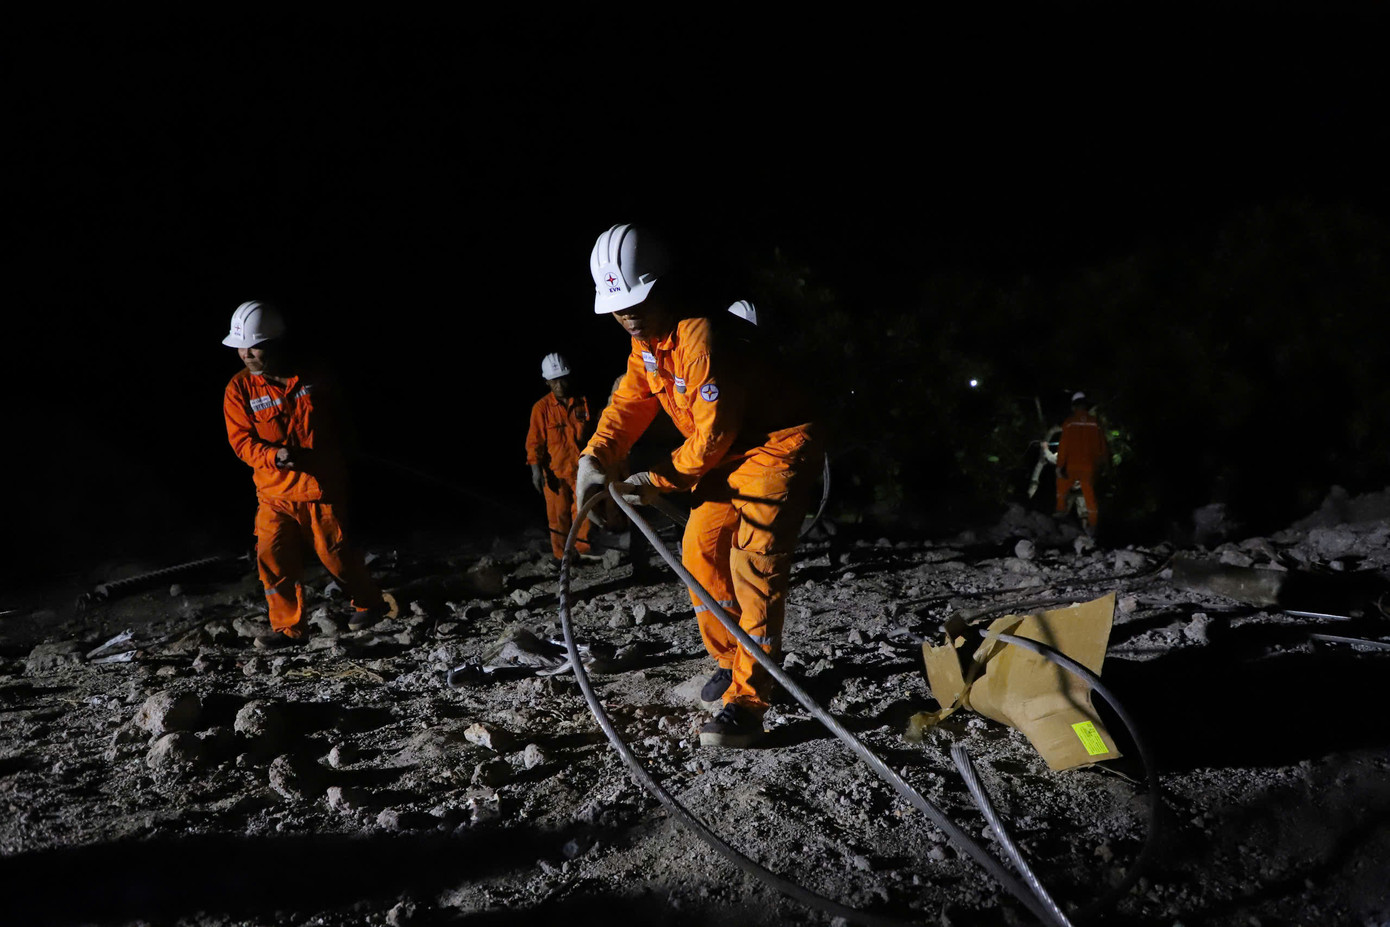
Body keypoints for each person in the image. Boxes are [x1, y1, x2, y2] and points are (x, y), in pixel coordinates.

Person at [576, 224, 822, 748]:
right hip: (726, 455)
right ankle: (734, 660)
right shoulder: (648, 344)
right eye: (618, 309)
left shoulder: (699, 336)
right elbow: (630, 401)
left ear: (662, 286)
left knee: (752, 566)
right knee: (700, 550)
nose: (628, 316)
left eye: (636, 303)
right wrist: (595, 456)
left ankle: (749, 701)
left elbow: (713, 434)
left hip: (774, 448)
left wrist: (655, 480)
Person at [221, 300, 393, 648]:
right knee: (272, 557)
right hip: (274, 493)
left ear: (275, 343)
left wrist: (351, 449)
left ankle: (369, 603)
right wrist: (273, 455)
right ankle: (289, 629)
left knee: (336, 555)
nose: (245, 354)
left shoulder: (315, 375)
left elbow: (343, 418)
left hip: (321, 488)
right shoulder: (239, 390)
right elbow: (241, 442)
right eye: (240, 347)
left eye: (254, 347)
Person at [525, 353, 595, 561]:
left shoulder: (582, 402)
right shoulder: (541, 409)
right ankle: (562, 555)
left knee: (583, 511)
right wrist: (536, 472)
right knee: (559, 515)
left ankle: (583, 551)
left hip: (580, 470)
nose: (559, 385)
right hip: (555, 473)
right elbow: (534, 442)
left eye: (562, 379)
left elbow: (593, 433)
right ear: (547, 382)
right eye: (554, 381)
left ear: (569, 377)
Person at [1055, 391, 1109, 532]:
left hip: (1072, 466)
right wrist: (1104, 464)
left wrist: (1060, 466)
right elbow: (1103, 445)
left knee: (1062, 487)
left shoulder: (1069, 423)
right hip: (1090, 467)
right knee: (1090, 498)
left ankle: (1060, 511)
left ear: (1073, 406)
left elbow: (1063, 446)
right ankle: (1093, 526)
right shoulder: (1095, 423)